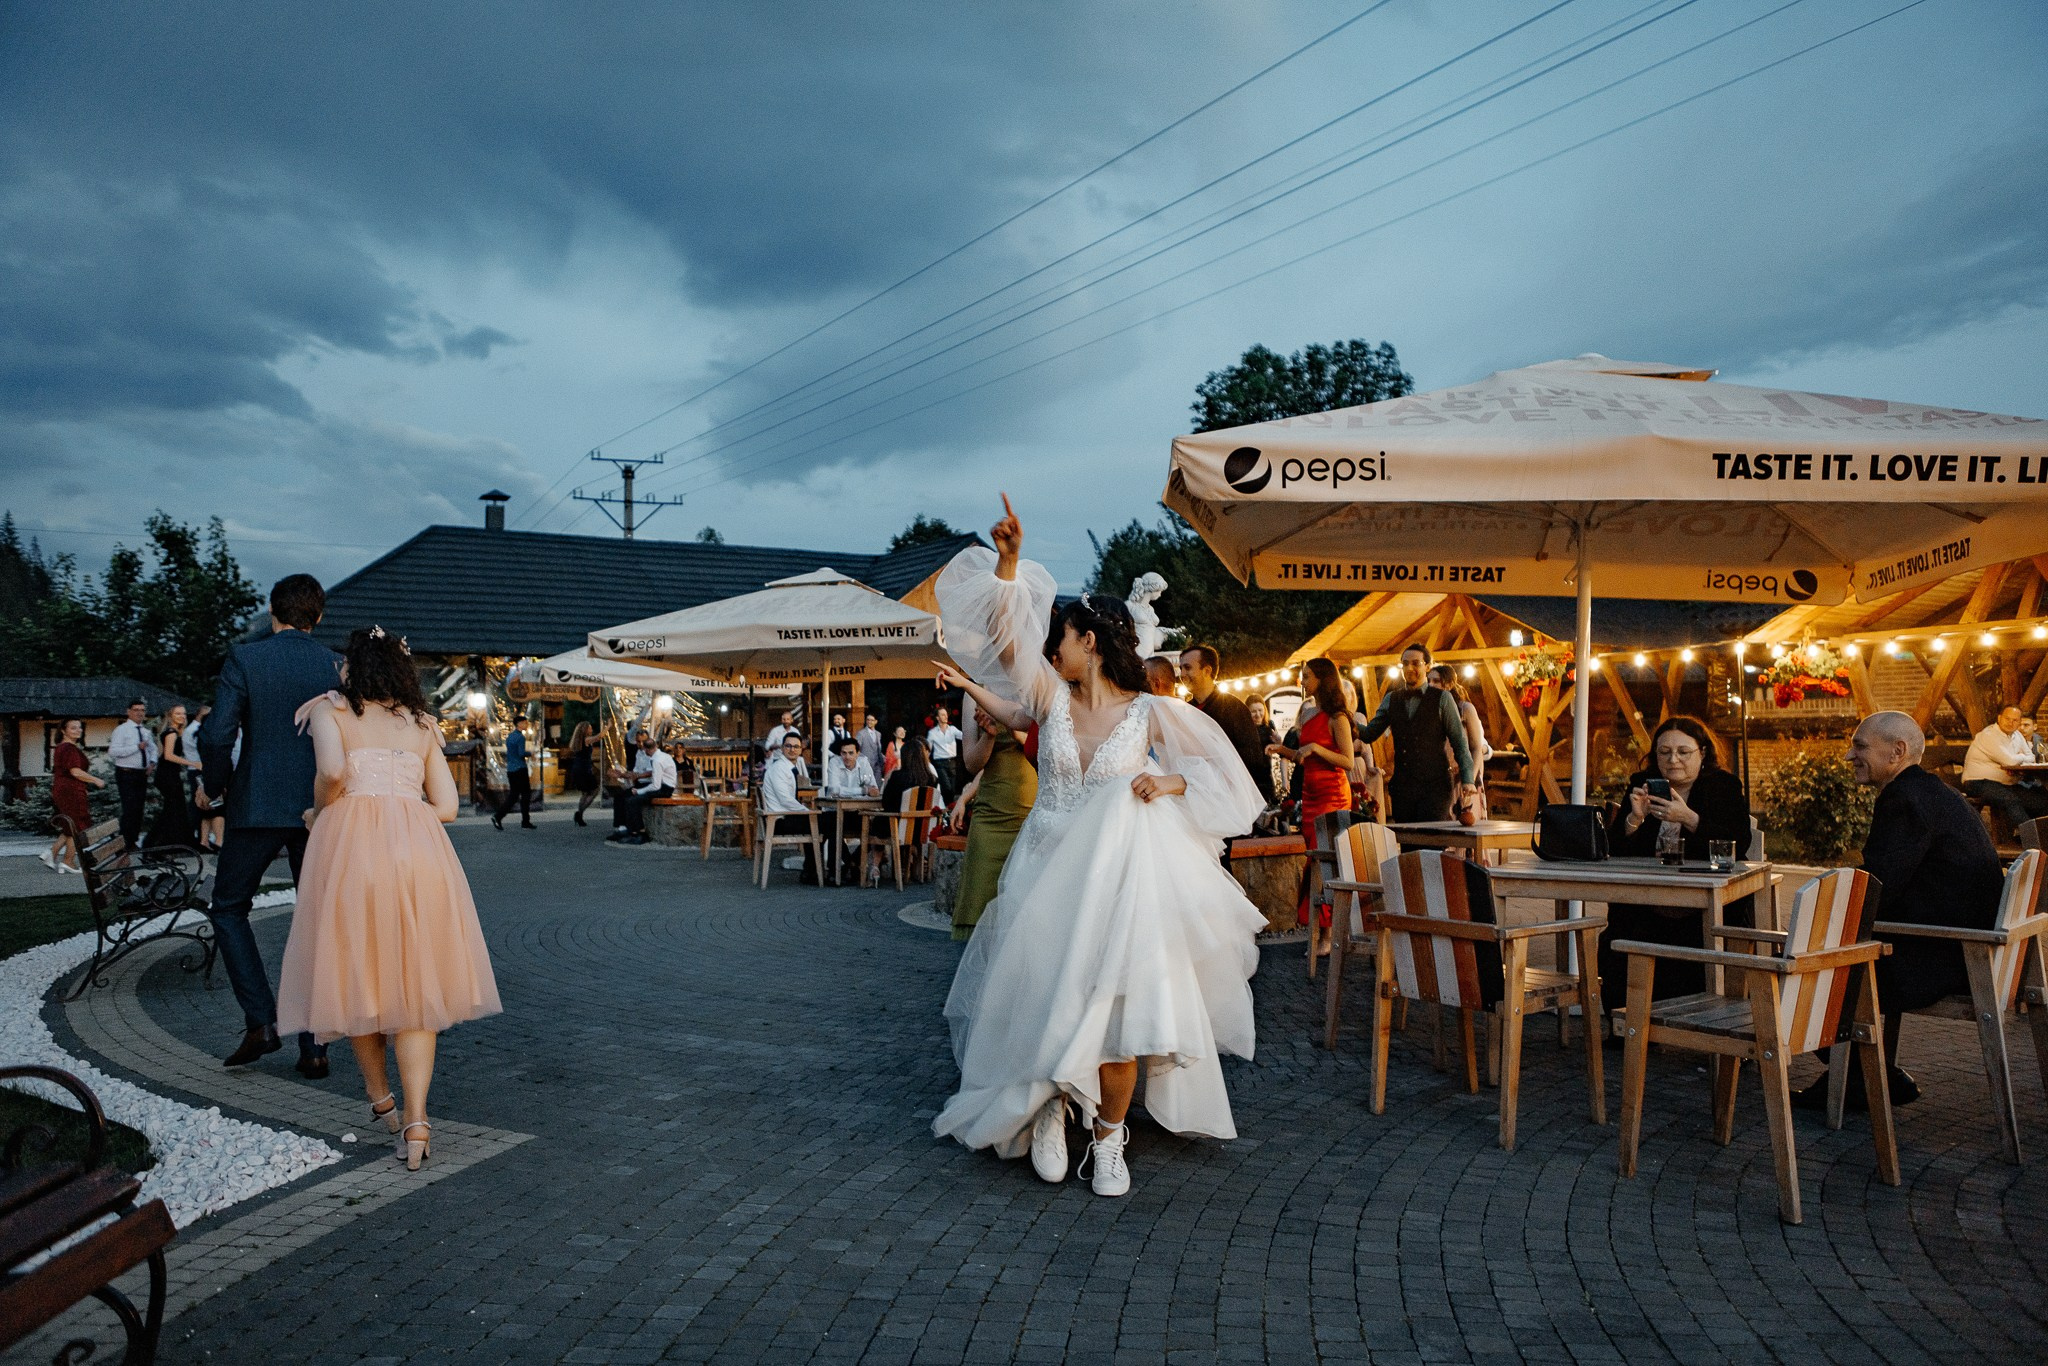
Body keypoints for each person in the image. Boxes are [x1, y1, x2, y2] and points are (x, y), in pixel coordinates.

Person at [929, 495, 1265, 1198]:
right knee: (1046, 996)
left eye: (1069, 634)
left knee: (1123, 1012)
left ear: (1096, 642)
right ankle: (1050, 1110)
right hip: (1046, 865)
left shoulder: (1151, 712)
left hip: (1120, 881)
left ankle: (1109, 1138)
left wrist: (1169, 782)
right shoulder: (1049, 698)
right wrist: (1012, 563)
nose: (1056, 644)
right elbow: (1009, 633)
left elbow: (1224, 777)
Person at [276, 627, 501, 1172]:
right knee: (416, 984)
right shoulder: (423, 724)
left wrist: (318, 810)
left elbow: (331, 772)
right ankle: (419, 1123)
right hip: (419, 855)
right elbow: (445, 806)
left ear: (353, 668)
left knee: (359, 978)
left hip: (354, 853)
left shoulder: (330, 711)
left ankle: (383, 1104)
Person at [1792, 711, 2005, 1110]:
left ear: (1898, 751)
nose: (1848, 755)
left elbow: (1878, 890)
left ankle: (1866, 1077)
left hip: (1935, 961)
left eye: (1860, 746)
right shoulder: (1934, 793)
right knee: (1817, 954)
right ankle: (1866, 1076)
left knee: (1795, 967)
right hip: (1966, 952)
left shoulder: (1904, 800)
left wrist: (1818, 922)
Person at [198, 573, 344, 1076]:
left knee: (228, 907)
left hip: (256, 804)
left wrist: (214, 787)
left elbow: (218, 733)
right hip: (322, 808)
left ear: (272, 611)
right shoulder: (336, 665)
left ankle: (261, 1021)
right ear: (318, 617)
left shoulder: (246, 657)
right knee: (317, 921)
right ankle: (316, 1044)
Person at [1600, 717, 1754, 1004]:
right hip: (1648, 897)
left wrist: (1688, 818)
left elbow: (1738, 841)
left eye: (1684, 752)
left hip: (1703, 901)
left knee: (1680, 936)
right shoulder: (1642, 785)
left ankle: (1681, 1017)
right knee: (1619, 935)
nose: (1673, 760)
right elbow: (1615, 849)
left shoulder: (1723, 786)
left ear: (1703, 753)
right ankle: (1626, 1021)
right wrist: (1634, 819)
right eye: (1664, 752)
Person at [1265, 659, 1355, 933]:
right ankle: (1318, 927)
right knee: (1312, 860)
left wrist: (1316, 747)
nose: (1301, 682)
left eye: (1306, 677)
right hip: (1310, 794)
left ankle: (1328, 931)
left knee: (1323, 862)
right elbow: (1303, 758)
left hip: (1333, 796)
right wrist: (1281, 751)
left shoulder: (1337, 717)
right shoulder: (1306, 715)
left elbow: (1348, 761)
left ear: (1322, 679)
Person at [1356, 644, 1477, 822]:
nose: (1409, 668)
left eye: (1415, 663)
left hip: (1435, 787)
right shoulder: (1392, 699)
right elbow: (1369, 734)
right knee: (1408, 846)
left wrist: (1468, 779)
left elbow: (1459, 742)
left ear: (1427, 666)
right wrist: (1344, 717)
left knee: (1433, 844)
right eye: (1405, 664)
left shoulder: (1443, 698)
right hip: (1403, 788)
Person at [953, 697, 1038, 942]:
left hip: (1031, 817)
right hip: (990, 817)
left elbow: (1050, 754)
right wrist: (989, 735)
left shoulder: (1036, 685)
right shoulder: (974, 693)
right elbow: (972, 764)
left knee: (1025, 919)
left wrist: (1014, 729)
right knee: (980, 910)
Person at [1180, 644, 1276, 806]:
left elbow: (1252, 758)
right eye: (1181, 668)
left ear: (1207, 670)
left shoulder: (1234, 708)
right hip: (1195, 797)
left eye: (1187, 668)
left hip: (1230, 799)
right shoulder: (1185, 710)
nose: (1182, 674)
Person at [1960, 705, 2047, 837]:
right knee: (2010, 799)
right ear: (1999, 718)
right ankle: (2031, 838)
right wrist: (2021, 758)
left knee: (2040, 799)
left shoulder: (2017, 735)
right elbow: (2010, 761)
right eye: (2007, 719)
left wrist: (2018, 758)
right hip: (1978, 782)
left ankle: (2042, 837)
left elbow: (2031, 757)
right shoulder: (1989, 735)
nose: (2011, 723)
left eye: (2015, 720)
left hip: (2006, 783)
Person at [1429, 664, 1491, 821]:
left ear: (1448, 684)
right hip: (1439, 779)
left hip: (1462, 777)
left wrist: (1470, 777)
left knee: (1466, 829)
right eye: (1428, 680)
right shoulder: (1429, 712)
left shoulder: (1465, 709)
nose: (1430, 685)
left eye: (1436, 681)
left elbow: (1477, 747)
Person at [43, 718, 102, 874]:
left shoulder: (63, 747)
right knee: (77, 826)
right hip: (70, 791)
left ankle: (52, 853)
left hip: (66, 789)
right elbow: (75, 772)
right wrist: (95, 780)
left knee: (71, 824)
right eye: (73, 728)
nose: (78, 730)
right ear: (63, 730)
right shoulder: (69, 748)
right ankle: (68, 862)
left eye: (80, 727)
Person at [759, 730, 819, 882]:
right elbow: (785, 799)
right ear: (781, 748)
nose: (792, 749)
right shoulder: (779, 768)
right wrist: (808, 811)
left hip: (784, 817)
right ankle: (817, 870)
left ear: (801, 749)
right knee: (825, 823)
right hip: (778, 821)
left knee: (826, 823)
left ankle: (811, 870)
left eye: (796, 747)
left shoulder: (789, 767)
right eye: (788, 746)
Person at [609, 731, 676, 845]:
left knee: (632, 801)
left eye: (642, 742)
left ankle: (638, 832)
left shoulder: (655, 758)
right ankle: (622, 828)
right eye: (638, 741)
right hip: (646, 784)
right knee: (620, 797)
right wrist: (621, 775)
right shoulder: (640, 754)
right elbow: (635, 772)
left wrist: (639, 788)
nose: (640, 745)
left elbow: (654, 778)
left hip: (651, 784)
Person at [146, 703, 199, 849]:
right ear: (170, 716)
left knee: (175, 809)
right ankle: (154, 843)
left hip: (169, 775)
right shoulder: (171, 733)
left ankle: (168, 843)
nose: (182, 716)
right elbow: (168, 756)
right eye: (178, 714)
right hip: (167, 776)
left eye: (183, 713)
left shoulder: (174, 732)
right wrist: (193, 763)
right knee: (172, 809)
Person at [107, 698, 157, 848]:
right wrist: (136, 747)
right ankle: (123, 843)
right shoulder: (122, 730)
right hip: (126, 773)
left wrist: (152, 763)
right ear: (128, 712)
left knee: (138, 809)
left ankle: (132, 841)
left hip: (141, 774)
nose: (139, 713)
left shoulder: (145, 731)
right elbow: (113, 751)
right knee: (129, 808)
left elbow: (153, 748)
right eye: (136, 710)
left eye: (142, 710)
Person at [185, 704, 223, 851]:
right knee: (216, 808)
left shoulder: (199, 733)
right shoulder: (200, 734)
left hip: (204, 771)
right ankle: (218, 842)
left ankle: (204, 841)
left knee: (208, 810)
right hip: (204, 772)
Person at [492, 716, 534, 831]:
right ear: (519, 724)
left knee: (514, 795)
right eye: (525, 723)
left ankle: (499, 816)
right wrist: (530, 753)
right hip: (520, 768)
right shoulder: (520, 737)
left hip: (511, 769)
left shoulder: (510, 736)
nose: (526, 725)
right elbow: (521, 753)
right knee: (525, 794)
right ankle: (525, 820)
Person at [563, 721, 602, 826]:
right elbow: (599, 736)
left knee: (585, 792)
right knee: (594, 790)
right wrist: (609, 726)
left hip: (578, 768)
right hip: (584, 769)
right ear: (585, 730)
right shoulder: (586, 740)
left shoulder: (578, 741)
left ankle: (580, 816)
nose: (591, 729)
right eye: (589, 728)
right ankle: (579, 814)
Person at [927, 707, 965, 801]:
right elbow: (928, 749)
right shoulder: (932, 733)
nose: (946, 716)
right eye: (942, 715)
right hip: (940, 763)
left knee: (952, 788)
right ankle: (946, 809)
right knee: (946, 787)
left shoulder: (952, 729)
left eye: (946, 714)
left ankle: (949, 809)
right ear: (937, 718)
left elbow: (964, 736)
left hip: (952, 762)